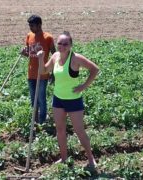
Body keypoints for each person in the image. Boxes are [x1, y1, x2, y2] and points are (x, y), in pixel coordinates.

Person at [36, 31, 99, 168]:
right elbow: (43, 71)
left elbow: (94, 69)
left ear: (70, 45)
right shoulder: (55, 56)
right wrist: (40, 59)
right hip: (58, 99)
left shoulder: (76, 58)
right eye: (60, 43)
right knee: (60, 130)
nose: (62, 46)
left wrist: (83, 86)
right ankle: (64, 158)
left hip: (74, 100)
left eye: (65, 44)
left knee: (79, 130)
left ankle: (91, 159)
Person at [20, 15, 56, 124]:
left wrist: (53, 73)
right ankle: (35, 122)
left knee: (41, 99)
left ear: (39, 25)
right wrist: (24, 53)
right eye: (29, 25)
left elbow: (55, 55)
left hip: (43, 74)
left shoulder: (48, 38)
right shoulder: (29, 36)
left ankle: (42, 122)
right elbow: (29, 54)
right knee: (33, 100)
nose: (30, 28)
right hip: (31, 74)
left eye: (32, 26)